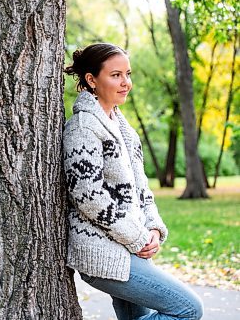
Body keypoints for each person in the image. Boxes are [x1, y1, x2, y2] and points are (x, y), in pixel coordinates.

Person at [63, 43, 204, 320]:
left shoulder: (120, 125)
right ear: (91, 80)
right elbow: (88, 196)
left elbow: (142, 189)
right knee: (188, 309)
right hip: (103, 254)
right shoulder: (83, 128)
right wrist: (138, 238)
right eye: (115, 75)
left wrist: (153, 227)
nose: (126, 82)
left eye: (128, 74)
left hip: (129, 247)